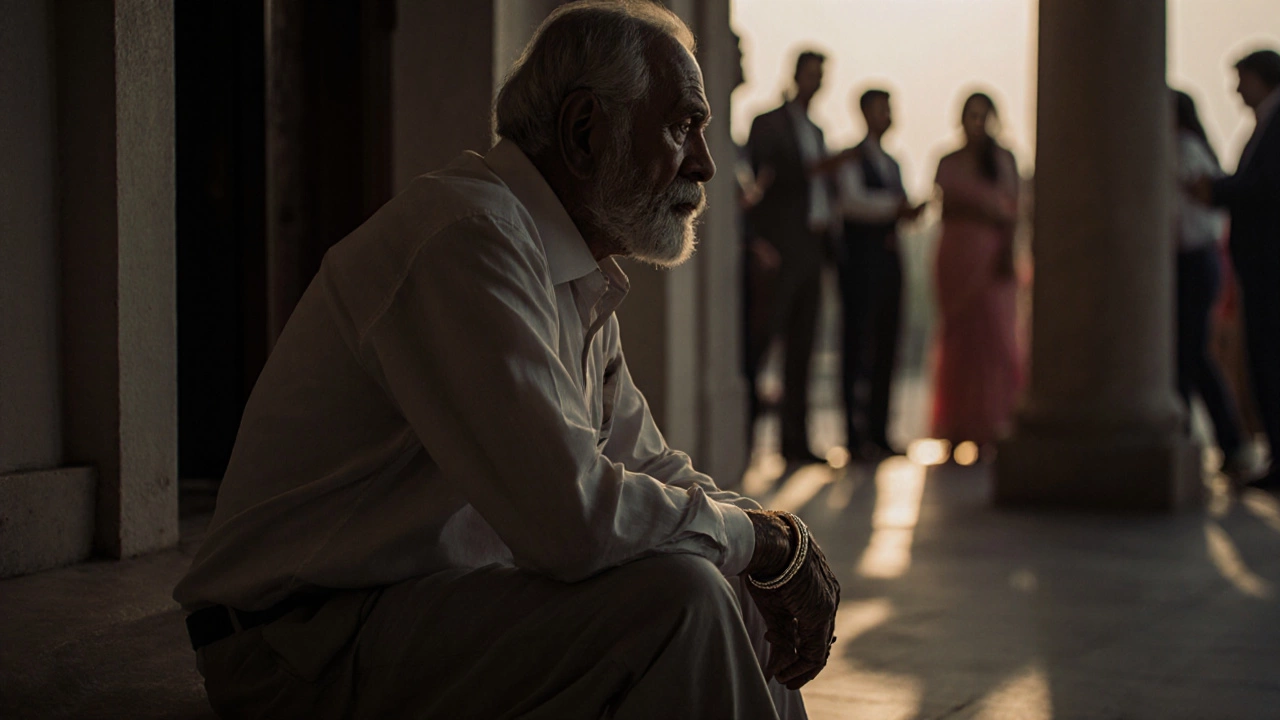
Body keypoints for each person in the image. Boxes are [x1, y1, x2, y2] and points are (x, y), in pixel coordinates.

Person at [173, 3, 839, 718]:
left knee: (730, 576)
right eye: (683, 127)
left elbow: (648, 467)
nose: (706, 164)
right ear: (584, 132)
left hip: (408, 611)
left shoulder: (571, 269)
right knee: (683, 599)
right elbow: (574, 521)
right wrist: (761, 540)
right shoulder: (468, 239)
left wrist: (778, 546)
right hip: (297, 643)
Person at [1193, 49, 1280, 490]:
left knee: (1269, 358)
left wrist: (1216, 191)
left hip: (1268, 263)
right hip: (1257, 263)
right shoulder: (1266, 123)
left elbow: (1265, 187)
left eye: (1241, 79)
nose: (1235, 90)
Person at [820, 89, 924, 460]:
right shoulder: (851, 158)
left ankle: (879, 431)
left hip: (889, 259)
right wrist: (895, 208)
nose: (888, 115)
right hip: (860, 261)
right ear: (865, 113)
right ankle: (855, 434)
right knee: (857, 342)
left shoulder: (892, 162)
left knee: (886, 342)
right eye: (882, 109)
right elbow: (851, 203)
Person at [745, 51, 836, 465]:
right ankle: (744, 436)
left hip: (812, 246)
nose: (815, 82)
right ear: (796, 75)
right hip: (781, 246)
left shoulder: (817, 131)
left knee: (804, 344)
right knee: (763, 340)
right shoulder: (768, 123)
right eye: (811, 74)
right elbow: (766, 175)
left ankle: (795, 441)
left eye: (821, 76)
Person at [930, 92, 1022, 457]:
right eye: (971, 115)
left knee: (994, 340)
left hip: (991, 257)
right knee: (958, 341)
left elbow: (1014, 212)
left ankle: (991, 423)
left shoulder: (1004, 160)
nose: (977, 122)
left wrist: (1007, 251)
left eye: (983, 115)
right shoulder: (948, 160)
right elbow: (946, 202)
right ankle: (955, 426)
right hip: (956, 254)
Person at [1172, 89, 1248, 478]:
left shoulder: (1181, 152)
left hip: (1191, 263)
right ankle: (1220, 442)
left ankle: (1202, 440)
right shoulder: (1194, 149)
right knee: (1188, 354)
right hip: (1198, 262)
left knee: (1189, 355)